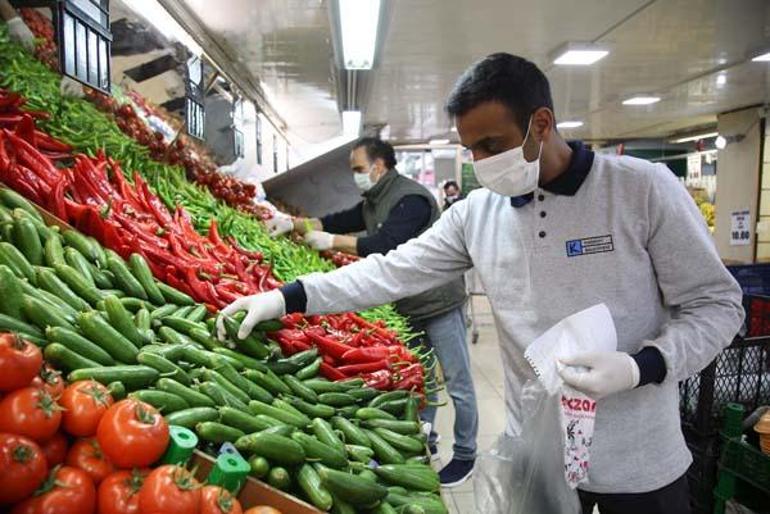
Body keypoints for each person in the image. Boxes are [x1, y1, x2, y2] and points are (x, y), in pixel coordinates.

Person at [218, 53, 744, 513]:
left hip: (639, 458)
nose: (481, 163)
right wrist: (286, 297)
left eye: (492, 144)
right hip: (539, 458)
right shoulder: (478, 214)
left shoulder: (640, 190)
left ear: (541, 123)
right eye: (471, 148)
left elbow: (718, 306)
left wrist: (640, 365)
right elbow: (391, 269)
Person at [261, 137, 479, 487]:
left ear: (380, 166)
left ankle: (466, 453)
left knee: (457, 379)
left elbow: (386, 245)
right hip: (408, 303)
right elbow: (336, 219)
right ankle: (427, 437)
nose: (356, 176)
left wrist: (332, 242)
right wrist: (293, 224)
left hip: (438, 302)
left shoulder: (412, 198)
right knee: (421, 379)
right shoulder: (373, 200)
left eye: (359, 169)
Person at [0, 1, 83, 98]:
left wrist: (71, 71)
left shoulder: (59, 12)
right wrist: (12, 18)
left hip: (30, 67)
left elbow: (65, 35)